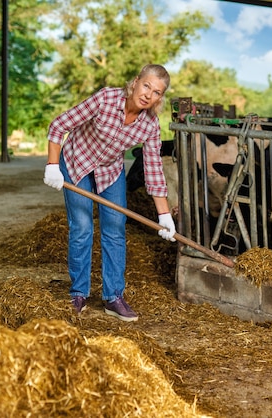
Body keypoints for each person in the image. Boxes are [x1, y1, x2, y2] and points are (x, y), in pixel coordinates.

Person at [43, 64, 176, 322]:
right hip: (76, 162)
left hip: (109, 171)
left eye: (157, 92)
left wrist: (164, 215)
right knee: (82, 227)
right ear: (135, 82)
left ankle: (113, 297)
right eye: (146, 86)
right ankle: (78, 293)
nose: (149, 94)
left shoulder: (150, 125)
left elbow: (153, 168)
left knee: (115, 228)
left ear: (160, 98)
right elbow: (59, 125)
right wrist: (51, 165)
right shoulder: (105, 99)